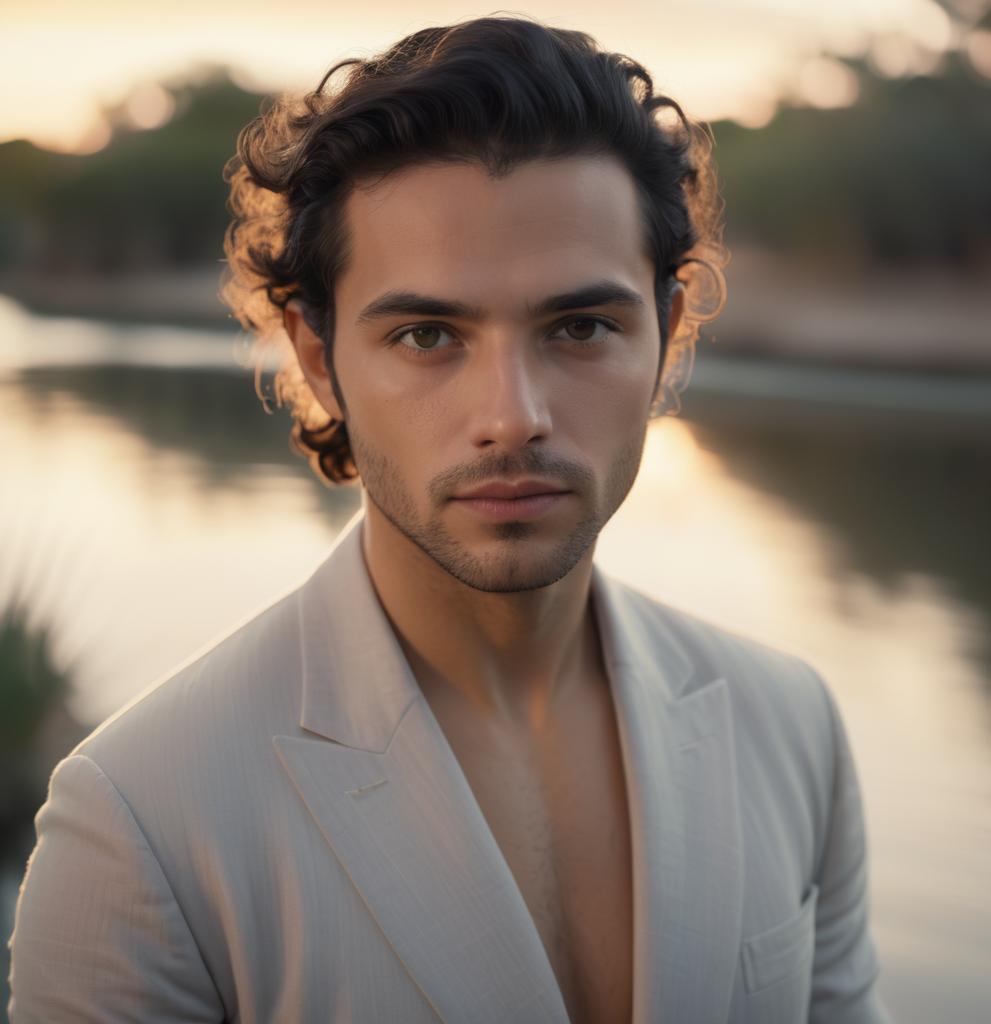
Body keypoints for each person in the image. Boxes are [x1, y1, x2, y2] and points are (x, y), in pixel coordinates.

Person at [6, 15, 891, 1024]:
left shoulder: (789, 727)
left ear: (668, 331)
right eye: (428, 333)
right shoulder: (141, 821)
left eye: (580, 326)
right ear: (317, 354)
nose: (512, 415)